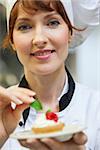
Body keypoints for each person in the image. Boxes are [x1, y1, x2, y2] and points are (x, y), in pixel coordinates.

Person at [1, 0, 100, 150]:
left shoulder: (96, 108)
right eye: (25, 26)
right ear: (13, 41)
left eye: (52, 23)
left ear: (70, 33)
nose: (39, 39)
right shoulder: (2, 110)